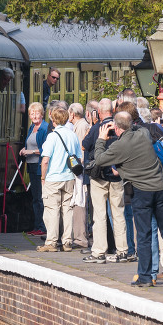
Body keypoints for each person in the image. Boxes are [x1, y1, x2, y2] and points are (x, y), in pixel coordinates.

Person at [93, 112, 163, 287]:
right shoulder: (144, 134)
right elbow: (135, 127)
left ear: (117, 129)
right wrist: (124, 124)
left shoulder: (119, 147)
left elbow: (99, 159)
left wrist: (101, 139)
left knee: (144, 235)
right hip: (161, 188)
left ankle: (145, 277)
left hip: (141, 192)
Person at [82, 99, 126, 263]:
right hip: (116, 176)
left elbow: (84, 145)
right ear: (112, 111)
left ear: (98, 113)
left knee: (99, 215)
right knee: (118, 214)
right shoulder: (119, 127)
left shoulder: (96, 128)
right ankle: (122, 251)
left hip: (99, 177)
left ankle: (99, 251)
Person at [37, 106, 82, 252]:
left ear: (53, 120)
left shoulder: (52, 136)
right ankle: (67, 242)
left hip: (53, 178)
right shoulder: (72, 135)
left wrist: (43, 177)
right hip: (69, 177)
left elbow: (45, 160)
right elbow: (78, 157)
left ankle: (51, 242)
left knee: (52, 210)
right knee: (67, 210)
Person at [20, 102, 49, 236]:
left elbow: (46, 149)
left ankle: (42, 227)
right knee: (35, 198)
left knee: (39, 198)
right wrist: (24, 150)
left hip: (40, 167)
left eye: (37, 113)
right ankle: (37, 225)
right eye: (32, 113)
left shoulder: (44, 128)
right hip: (31, 166)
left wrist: (30, 152)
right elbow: (30, 144)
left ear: (42, 114)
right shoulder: (32, 127)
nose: (34, 116)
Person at [69, 103, 90, 250]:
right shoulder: (81, 125)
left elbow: (81, 149)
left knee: (79, 202)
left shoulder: (81, 126)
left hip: (79, 171)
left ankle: (81, 238)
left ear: (72, 114)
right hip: (80, 170)